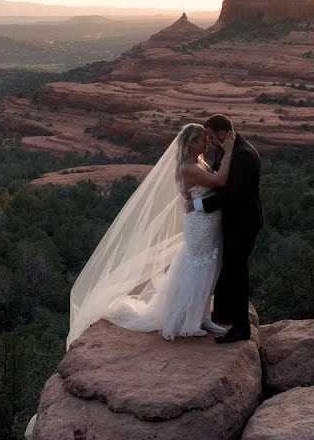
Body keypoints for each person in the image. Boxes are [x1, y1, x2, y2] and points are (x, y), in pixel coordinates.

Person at [66, 123, 236, 345]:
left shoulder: (199, 162)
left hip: (207, 222)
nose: (206, 142)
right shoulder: (187, 167)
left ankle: (202, 317)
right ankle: (188, 323)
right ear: (192, 143)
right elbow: (219, 181)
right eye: (202, 139)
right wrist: (230, 152)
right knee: (198, 270)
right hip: (199, 226)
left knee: (205, 270)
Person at [198, 114, 263, 344]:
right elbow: (218, 177)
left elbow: (233, 193)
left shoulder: (243, 155)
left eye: (211, 136)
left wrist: (200, 205)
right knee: (229, 269)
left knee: (237, 273)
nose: (210, 141)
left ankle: (241, 327)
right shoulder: (228, 151)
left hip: (243, 223)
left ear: (223, 134)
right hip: (233, 221)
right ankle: (224, 314)